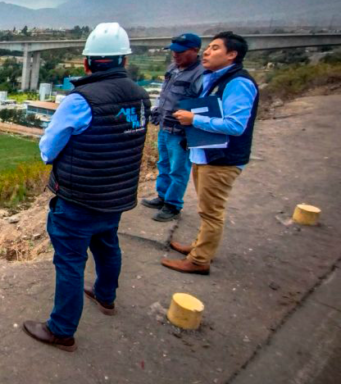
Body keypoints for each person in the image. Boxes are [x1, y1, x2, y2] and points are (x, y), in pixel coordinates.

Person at [23, 23, 151, 352]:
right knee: (107, 245)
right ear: (123, 59)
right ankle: (106, 297)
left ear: (87, 63)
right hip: (116, 194)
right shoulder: (140, 96)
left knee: (69, 261)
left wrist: (48, 158)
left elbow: (49, 147)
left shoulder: (81, 100)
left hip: (80, 197)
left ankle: (62, 330)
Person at [161, 31, 258, 275]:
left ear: (232, 55)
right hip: (206, 152)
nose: (207, 51)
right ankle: (198, 247)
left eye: (215, 48)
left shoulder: (238, 83)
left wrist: (194, 119)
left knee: (212, 212)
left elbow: (236, 125)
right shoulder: (214, 79)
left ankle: (199, 260)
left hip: (222, 158)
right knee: (206, 209)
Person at [141, 34, 205, 222]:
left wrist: (194, 128)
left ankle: (173, 205)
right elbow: (164, 94)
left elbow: (202, 105)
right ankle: (162, 196)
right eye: (173, 51)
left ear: (195, 50)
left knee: (179, 169)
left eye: (180, 52)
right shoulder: (173, 69)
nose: (175, 55)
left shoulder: (200, 74)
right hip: (164, 126)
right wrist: (156, 110)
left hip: (181, 132)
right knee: (164, 164)